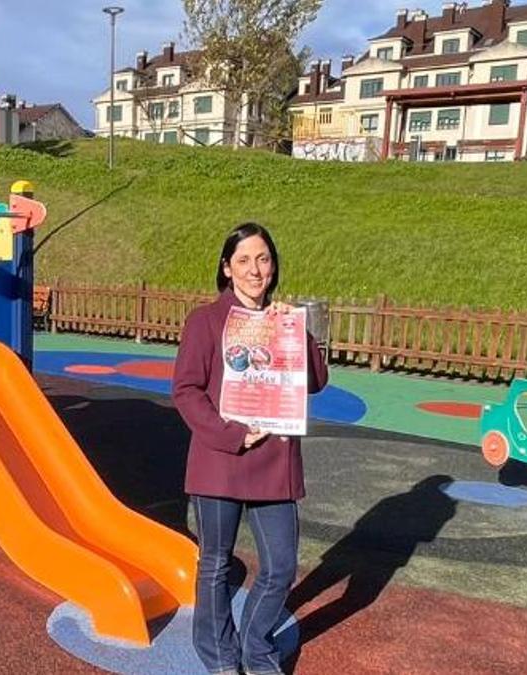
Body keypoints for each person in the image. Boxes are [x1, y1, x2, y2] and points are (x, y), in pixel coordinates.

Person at [171, 222, 329, 675]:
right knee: (216, 565)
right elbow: (186, 390)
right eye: (243, 260)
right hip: (221, 459)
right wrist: (231, 433)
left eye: (262, 259)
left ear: (273, 265)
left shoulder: (284, 321)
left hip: (274, 463)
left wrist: (297, 332)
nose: (255, 269)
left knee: (280, 566)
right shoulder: (205, 321)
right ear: (226, 268)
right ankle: (219, 656)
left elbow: (316, 382)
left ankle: (256, 649)